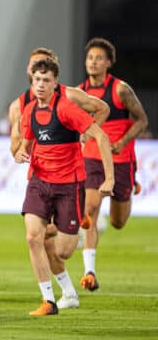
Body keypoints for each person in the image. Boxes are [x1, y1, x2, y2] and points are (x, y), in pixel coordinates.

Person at [8, 47, 109, 309]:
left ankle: (74, 225)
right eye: (35, 77)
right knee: (33, 238)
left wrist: (108, 178)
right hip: (40, 182)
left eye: (45, 79)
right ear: (30, 76)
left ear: (55, 82)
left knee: (63, 250)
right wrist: (20, 153)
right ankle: (48, 300)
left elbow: (101, 131)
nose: (39, 82)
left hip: (68, 184)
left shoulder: (68, 104)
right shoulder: (25, 109)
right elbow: (25, 144)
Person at [78, 38, 148, 291]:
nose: (93, 62)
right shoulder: (79, 93)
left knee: (118, 222)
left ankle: (131, 185)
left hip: (120, 160)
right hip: (92, 158)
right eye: (89, 58)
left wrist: (122, 140)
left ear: (108, 62)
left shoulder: (120, 90)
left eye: (98, 58)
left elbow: (142, 120)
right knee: (91, 208)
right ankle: (89, 272)